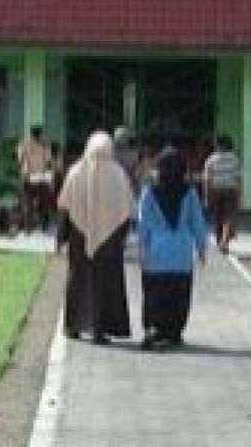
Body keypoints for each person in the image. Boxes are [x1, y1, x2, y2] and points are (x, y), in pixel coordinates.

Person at [56, 131, 134, 344]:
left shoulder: (75, 172)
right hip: (110, 240)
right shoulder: (118, 174)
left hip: (79, 237)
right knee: (105, 283)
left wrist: (61, 238)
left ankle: (73, 326)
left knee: (78, 280)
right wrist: (121, 237)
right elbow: (127, 211)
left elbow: (64, 208)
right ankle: (100, 330)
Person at [138, 147, 207, 349]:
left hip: (156, 252)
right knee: (179, 294)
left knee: (154, 293)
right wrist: (201, 248)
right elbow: (197, 222)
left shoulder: (149, 192)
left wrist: (142, 248)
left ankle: (154, 328)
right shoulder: (190, 193)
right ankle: (174, 332)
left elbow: (143, 223)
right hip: (181, 252)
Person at [203, 134, 242, 254]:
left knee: (217, 217)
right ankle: (224, 241)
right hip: (230, 190)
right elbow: (238, 179)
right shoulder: (235, 159)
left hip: (215, 190)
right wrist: (240, 194)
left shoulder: (211, 159)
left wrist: (206, 196)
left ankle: (220, 241)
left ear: (218, 146)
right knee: (228, 217)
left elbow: (207, 180)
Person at [17, 125, 54, 233]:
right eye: (37, 134)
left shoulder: (25, 144)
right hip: (35, 177)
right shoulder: (41, 144)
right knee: (36, 203)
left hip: (34, 176)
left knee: (35, 203)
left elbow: (20, 161)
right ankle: (36, 226)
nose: (38, 136)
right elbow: (48, 161)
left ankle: (34, 227)